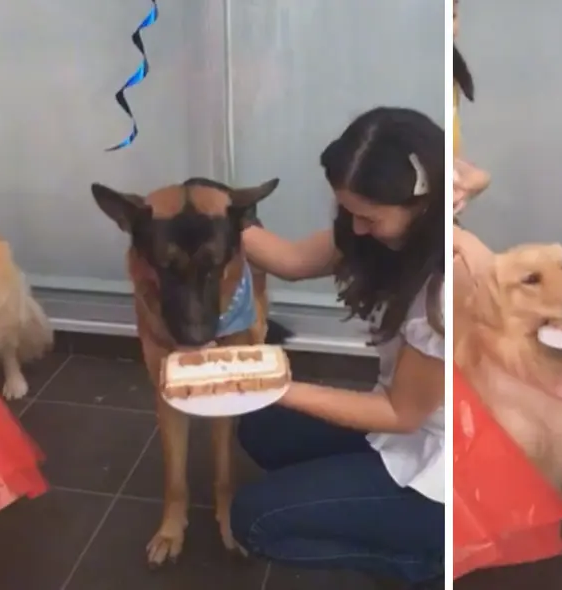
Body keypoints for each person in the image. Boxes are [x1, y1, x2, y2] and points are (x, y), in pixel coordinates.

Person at [230, 106, 444, 589]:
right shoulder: (374, 232)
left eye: (368, 216)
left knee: (254, 521)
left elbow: (400, 414)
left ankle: (427, 561)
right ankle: (354, 495)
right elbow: (288, 260)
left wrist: (275, 386)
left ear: (423, 206)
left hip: (441, 467)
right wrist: (211, 211)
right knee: (262, 429)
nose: (355, 227)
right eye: (346, 211)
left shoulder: (446, 289)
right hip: (402, 430)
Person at [451, 0, 494, 287]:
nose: (449, 28)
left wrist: (477, 180)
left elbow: (454, 165)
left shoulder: (452, 77)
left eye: (452, 15)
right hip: (419, 234)